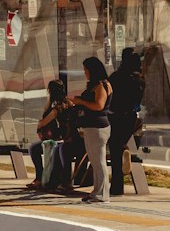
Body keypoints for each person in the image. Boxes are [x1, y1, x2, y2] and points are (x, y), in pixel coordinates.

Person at [70, 56, 112, 204]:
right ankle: (97, 191)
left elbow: (99, 106)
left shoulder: (101, 85)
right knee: (95, 161)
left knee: (99, 161)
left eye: (86, 69)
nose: (84, 72)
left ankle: (102, 193)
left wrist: (81, 101)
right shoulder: (98, 85)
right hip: (93, 126)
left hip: (97, 127)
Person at [108, 48, 144, 197]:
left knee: (114, 149)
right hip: (131, 116)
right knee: (119, 143)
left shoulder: (116, 77)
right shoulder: (139, 80)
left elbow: (109, 96)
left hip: (115, 115)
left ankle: (117, 187)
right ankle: (124, 148)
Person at [26, 79, 67, 189]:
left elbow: (43, 122)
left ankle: (40, 177)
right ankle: (41, 177)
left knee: (34, 149)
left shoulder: (56, 108)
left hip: (56, 139)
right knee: (35, 148)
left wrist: (39, 127)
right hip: (57, 137)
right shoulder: (63, 103)